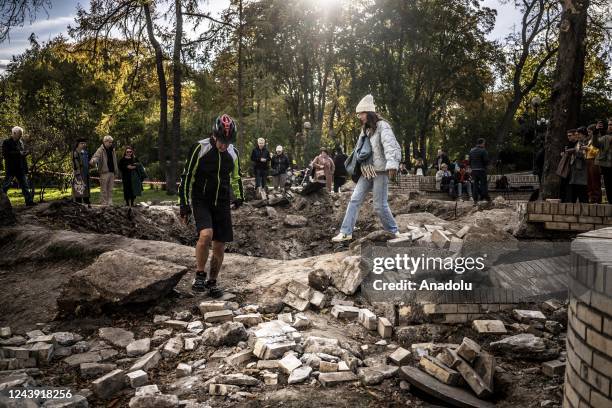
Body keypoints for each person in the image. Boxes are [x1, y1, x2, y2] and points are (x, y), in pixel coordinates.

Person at [178, 114, 244, 297]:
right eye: (221, 140)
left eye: (228, 141)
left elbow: (236, 176)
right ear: (214, 135)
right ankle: (199, 274)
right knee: (206, 234)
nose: (224, 145)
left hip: (222, 201)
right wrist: (183, 203)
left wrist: (240, 196)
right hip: (201, 199)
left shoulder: (233, 153)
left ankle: (212, 281)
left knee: (220, 245)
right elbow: (186, 176)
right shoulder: (200, 147)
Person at [332, 94, 401, 242]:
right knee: (354, 199)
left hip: (381, 171)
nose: (359, 117)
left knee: (379, 205)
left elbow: (390, 145)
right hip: (367, 171)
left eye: (361, 113)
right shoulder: (365, 130)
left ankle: (394, 232)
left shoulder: (383, 126)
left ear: (369, 113)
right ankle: (346, 232)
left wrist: (392, 164)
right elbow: (358, 150)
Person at [1, 126, 35, 206]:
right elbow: (5, 154)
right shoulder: (7, 142)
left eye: (21, 135)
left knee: (25, 186)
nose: (21, 136)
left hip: (20, 168)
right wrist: (19, 153)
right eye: (20, 134)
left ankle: (29, 202)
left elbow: (21, 155)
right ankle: (1, 202)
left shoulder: (20, 142)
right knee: (6, 186)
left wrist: (25, 154)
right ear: (14, 133)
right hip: (11, 168)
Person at [90, 135, 119, 206]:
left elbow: (115, 161)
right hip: (104, 172)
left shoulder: (113, 149)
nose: (111, 143)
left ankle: (110, 203)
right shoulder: (101, 149)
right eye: (109, 142)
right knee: (104, 189)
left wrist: (116, 171)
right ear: (105, 142)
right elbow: (96, 156)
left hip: (112, 172)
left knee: (110, 189)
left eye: (111, 142)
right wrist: (93, 161)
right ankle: (104, 203)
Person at [566, 127, 588, 203]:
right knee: (574, 192)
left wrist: (574, 151)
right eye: (576, 134)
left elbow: (584, 155)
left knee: (582, 193)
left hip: (581, 171)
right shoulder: (579, 143)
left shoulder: (585, 142)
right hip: (575, 171)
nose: (577, 136)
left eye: (578, 134)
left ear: (582, 134)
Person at [593, 119, 612, 204]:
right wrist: (596, 131)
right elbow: (596, 144)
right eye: (609, 125)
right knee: (608, 185)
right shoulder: (605, 137)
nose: (610, 126)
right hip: (607, 165)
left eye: (611, 124)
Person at [469, 138, 490, 204]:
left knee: (475, 185)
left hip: (474, 170)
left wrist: (472, 167)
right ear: (482, 143)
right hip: (481, 170)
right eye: (484, 143)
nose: (484, 144)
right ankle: (485, 197)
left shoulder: (471, 151)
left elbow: (470, 161)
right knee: (483, 184)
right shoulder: (483, 151)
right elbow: (486, 161)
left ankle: (475, 199)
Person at [560, 129, 578, 202]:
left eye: (570, 136)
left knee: (572, 186)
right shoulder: (567, 144)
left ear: (575, 135)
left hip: (575, 168)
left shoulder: (578, 143)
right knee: (565, 184)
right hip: (567, 168)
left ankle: (571, 200)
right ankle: (566, 200)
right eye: (568, 136)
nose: (568, 137)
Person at [71, 138, 91, 206]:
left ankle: (87, 203)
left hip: (86, 173)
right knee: (79, 191)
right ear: (78, 144)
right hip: (79, 174)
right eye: (81, 143)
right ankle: (79, 205)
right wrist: (78, 173)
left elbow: (87, 163)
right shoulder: (75, 152)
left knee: (86, 190)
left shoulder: (85, 152)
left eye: (84, 143)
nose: (83, 144)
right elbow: (75, 164)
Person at [586, 124, 602, 203]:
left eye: (589, 132)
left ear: (593, 131)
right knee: (589, 181)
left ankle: (597, 199)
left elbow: (597, 152)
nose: (588, 134)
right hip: (588, 161)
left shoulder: (597, 139)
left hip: (594, 161)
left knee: (595, 180)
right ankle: (591, 198)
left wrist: (588, 148)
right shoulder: (589, 140)